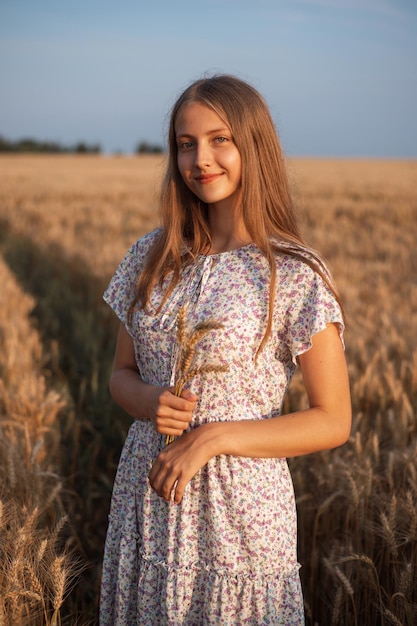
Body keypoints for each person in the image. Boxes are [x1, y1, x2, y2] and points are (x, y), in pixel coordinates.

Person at [99, 74, 351, 625]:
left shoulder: (293, 272)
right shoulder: (151, 256)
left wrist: (213, 437)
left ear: (253, 146)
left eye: (220, 140)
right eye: (186, 144)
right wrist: (145, 400)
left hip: (241, 517)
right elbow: (120, 373)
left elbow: (334, 420)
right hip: (149, 499)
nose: (201, 159)